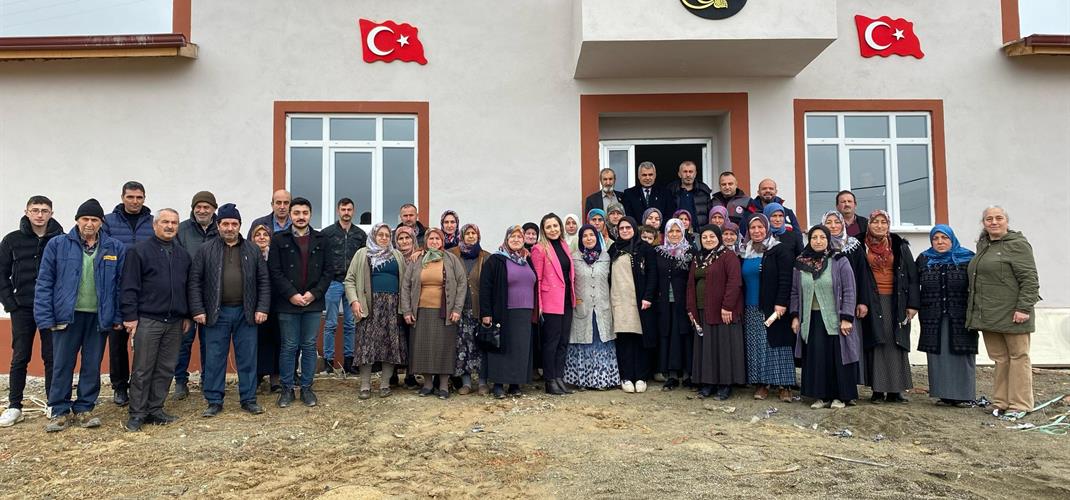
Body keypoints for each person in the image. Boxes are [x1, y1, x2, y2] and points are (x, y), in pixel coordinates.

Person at [36, 199, 125, 432]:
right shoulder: (58, 245)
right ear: (77, 220)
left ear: (101, 223)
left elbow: (120, 287)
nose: (89, 223)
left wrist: (117, 317)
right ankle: (59, 409)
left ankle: (85, 408)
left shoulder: (114, 248)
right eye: (85, 219)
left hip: (98, 318)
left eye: (94, 219)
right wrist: (46, 318)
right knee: (62, 364)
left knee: (91, 364)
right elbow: (45, 282)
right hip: (67, 316)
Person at [189, 204, 271, 417]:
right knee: (215, 358)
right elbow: (195, 281)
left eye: (234, 224)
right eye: (225, 223)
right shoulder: (206, 249)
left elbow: (263, 281)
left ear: (240, 226)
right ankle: (214, 400)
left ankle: (248, 399)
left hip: (246, 313)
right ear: (218, 225)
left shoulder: (252, 250)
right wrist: (198, 309)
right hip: (217, 313)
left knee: (247, 357)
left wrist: (262, 307)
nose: (229, 228)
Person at [120, 209, 192, 431]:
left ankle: (155, 409)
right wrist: (130, 317)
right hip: (148, 320)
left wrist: (187, 314)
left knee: (165, 368)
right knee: (143, 368)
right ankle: (137, 413)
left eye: (174, 222)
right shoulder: (139, 252)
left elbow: (187, 287)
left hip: (175, 322)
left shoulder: (183, 255)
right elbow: (129, 286)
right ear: (154, 225)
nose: (170, 226)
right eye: (165, 222)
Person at [967, 206, 1040, 418]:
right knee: (1000, 358)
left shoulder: (1017, 245)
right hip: (989, 313)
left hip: (1014, 313)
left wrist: (1024, 308)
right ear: (983, 223)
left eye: (999, 218)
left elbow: (1030, 279)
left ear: (1007, 221)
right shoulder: (984, 245)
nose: (994, 222)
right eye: (989, 219)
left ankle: (1020, 404)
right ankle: (1001, 401)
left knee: (1018, 357)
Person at [0, 196, 63, 428]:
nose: (39, 215)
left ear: (51, 213)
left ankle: (53, 402)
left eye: (44, 210)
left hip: (51, 308)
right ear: (26, 212)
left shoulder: (61, 240)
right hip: (22, 308)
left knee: (52, 356)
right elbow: (1, 273)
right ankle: (14, 406)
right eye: (35, 210)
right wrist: (10, 303)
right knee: (20, 357)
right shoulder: (12, 240)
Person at [269, 197, 332, 408]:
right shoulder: (278, 239)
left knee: (308, 345)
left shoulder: (322, 240)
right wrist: (291, 294)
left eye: (305, 213)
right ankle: (286, 389)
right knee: (288, 346)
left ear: (310, 215)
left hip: (313, 303)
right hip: (288, 303)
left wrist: (314, 294)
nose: (301, 217)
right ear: (290, 214)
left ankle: (306, 388)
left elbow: (328, 271)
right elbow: (274, 272)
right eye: (296, 213)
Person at [790, 225, 862, 409]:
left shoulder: (839, 261)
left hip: (834, 318)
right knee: (817, 358)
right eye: (814, 237)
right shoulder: (801, 264)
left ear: (828, 240)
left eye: (822, 237)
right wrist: (796, 316)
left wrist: (846, 317)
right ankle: (820, 396)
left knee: (837, 357)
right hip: (811, 319)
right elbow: (795, 293)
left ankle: (841, 396)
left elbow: (849, 290)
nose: (818, 241)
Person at [101, 181, 153, 407]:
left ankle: (141, 386)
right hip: (117, 288)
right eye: (130, 197)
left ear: (144, 198)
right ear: (122, 197)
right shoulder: (108, 222)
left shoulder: (152, 223)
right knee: (118, 341)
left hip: (147, 288)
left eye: (139, 197)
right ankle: (120, 386)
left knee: (145, 342)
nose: (135, 201)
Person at [400, 228, 467, 399]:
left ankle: (443, 385)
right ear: (426, 241)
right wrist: (407, 310)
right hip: (421, 311)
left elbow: (461, 284)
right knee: (423, 348)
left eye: (438, 239)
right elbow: (406, 286)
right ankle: (428, 384)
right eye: (431, 239)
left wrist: (457, 309)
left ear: (442, 241)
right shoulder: (418, 259)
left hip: (445, 312)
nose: (434, 242)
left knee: (444, 348)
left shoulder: (451, 259)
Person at [861, 210, 919, 404]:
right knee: (877, 341)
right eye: (875, 222)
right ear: (869, 224)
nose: (879, 225)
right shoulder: (860, 244)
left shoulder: (899, 245)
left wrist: (912, 304)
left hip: (896, 300)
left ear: (888, 224)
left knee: (896, 341)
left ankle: (896, 390)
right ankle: (878, 389)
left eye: (883, 222)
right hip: (872, 300)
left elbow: (912, 276)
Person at [917, 225, 977, 408]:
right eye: (936, 238)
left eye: (944, 238)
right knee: (938, 355)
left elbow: (977, 286)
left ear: (952, 239)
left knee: (961, 354)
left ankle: (964, 395)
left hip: (960, 315)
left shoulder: (968, 258)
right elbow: (912, 284)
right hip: (932, 315)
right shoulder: (924, 259)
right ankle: (943, 394)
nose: (940, 242)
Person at [345, 223, 407, 399]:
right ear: (373, 236)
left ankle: (385, 384)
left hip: (393, 306)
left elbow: (405, 281)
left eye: (387, 235)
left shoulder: (396, 255)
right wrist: (354, 301)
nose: (384, 238)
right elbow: (349, 280)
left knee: (390, 345)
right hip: (369, 306)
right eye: (380, 235)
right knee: (367, 346)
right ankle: (365, 385)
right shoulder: (362, 254)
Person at [739, 214, 796, 402]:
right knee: (757, 347)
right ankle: (762, 384)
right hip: (751, 306)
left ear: (767, 228)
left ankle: (784, 386)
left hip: (773, 306)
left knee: (777, 346)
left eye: (760, 227)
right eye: (752, 228)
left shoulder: (778, 249)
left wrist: (781, 303)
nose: (756, 231)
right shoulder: (745, 251)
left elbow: (786, 278)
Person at [685, 225, 744, 400]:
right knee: (706, 349)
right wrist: (691, 308)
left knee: (723, 348)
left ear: (718, 238)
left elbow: (735, 282)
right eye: (704, 237)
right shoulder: (698, 258)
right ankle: (707, 383)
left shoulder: (728, 256)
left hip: (722, 310)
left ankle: (725, 385)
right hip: (702, 309)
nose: (708, 240)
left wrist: (727, 306)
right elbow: (690, 284)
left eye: (712, 236)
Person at [480, 225, 538, 399]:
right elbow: (485, 287)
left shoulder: (526, 260)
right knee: (502, 348)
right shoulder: (496, 260)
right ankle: (498, 384)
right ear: (506, 238)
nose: (516, 240)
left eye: (519, 237)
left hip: (525, 312)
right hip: (503, 311)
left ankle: (515, 384)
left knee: (520, 349)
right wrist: (486, 312)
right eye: (512, 236)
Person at [172, 191, 218, 401]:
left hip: (214, 296)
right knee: (184, 341)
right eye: (198, 207)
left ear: (213, 209)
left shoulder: (222, 228)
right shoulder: (182, 230)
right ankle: (181, 380)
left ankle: (208, 379)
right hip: (187, 294)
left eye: (206, 207)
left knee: (210, 341)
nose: (202, 210)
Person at [564, 224, 619, 390]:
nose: (588, 238)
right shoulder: (573, 258)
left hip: (602, 307)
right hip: (582, 308)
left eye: (592, 235)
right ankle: (582, 381)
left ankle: (602, 380)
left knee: (601, 340)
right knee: (583, 341)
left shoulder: (606, 257)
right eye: (585, 236)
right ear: (580, 239)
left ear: (597, 237)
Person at [608, 217, 658, 393]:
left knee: (640, 340)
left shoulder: (645, 249)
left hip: (639, 302)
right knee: (624, 340)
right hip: (619, 301)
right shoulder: (613, 249)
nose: (625, 230)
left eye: (628, 227)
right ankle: (626, 377)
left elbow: (653, 275)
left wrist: (648, 297)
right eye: (621, 228)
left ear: (635, 229)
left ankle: (641, 377)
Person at [320, 198, 368, 374]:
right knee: (330, 323)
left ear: (353, 211)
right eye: (343, 209)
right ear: (337, 211)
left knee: (351, 323)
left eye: (349, 209)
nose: (346, 212)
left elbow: (364, 260)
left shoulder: (360, 234)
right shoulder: (327, 233)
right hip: (332, 282)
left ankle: (349, 362)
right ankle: (328, 363)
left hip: (352, 283)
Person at [530, 213, 577, 395]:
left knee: (563, 342)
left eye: (555, 226)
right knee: (551, 343)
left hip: (566, 300)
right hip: (550, 303)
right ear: (543, 230)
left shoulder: (565, 245)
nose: (553, 229)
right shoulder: (539, 249)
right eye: (548, 227)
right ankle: (550, 381)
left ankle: (559, 377)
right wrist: (539, 305)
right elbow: (538, 279)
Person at [448, 223, 490, 395]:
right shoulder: (453, 255)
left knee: (480, 346)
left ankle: (481, 383)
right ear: (462, 236)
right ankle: (465, 383)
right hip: (459, 309)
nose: (471, 236)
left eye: (474, 233)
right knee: (462, 346)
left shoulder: (485, 257)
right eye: (468, 233)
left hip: (478, 308)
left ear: (478, 236)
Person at [654, 219, 694, 390]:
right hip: (664, 302)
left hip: (684, 301)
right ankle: (670, 375)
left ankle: (687, 374)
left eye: (678, 231)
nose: (675, 235)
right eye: (671, 231)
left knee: (684, 335)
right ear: (666, 233)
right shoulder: (659, 252)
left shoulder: (690, 251)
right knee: (668, 335)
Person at [251, 224, 281, 394]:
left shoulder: (276, 256)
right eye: (257, 235)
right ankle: (256, 377)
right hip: (254, 307)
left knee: (276, 342)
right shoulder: (247, 255)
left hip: (275, 306)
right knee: (256, 343)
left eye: (265, 235)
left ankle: (275, 379)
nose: (261, 237)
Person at [393, 225, 420, 388]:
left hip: (413, 304)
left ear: (413, 239)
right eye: (400, 238)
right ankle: (393, 374)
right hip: (393, 303)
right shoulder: (391, 256)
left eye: (407, 238)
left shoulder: (420, 257)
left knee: (412, 338)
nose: (404, 241)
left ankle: (411, 374)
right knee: (394, 338)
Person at [666, 161, 712, 227]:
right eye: (685, 172)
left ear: (695, 174)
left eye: (691, 172)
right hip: (677, 232)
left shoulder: (704, 191)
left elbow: (709, 215)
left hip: (699, 233)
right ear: (679, 174)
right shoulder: (671, 191)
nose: (688, 175)